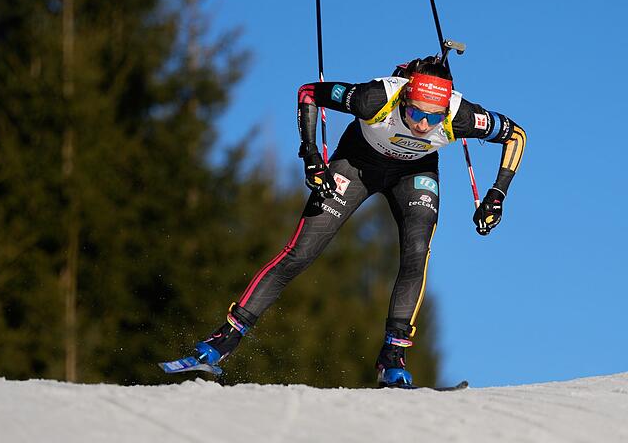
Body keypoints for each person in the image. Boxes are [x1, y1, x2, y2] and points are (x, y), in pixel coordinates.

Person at [190, 56, 526, 387]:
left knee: (417, 252)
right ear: (405, 98)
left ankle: (393, 357)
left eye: (433, 118)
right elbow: (308, 92)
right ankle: (225, 337)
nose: (423, 124)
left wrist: (497, 194)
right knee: (301, 252)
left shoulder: (461, 115)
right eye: (415, 113)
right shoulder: (374, 98)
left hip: (414, 172)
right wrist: (311, 155)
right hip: (358, 163)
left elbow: (516, 135)